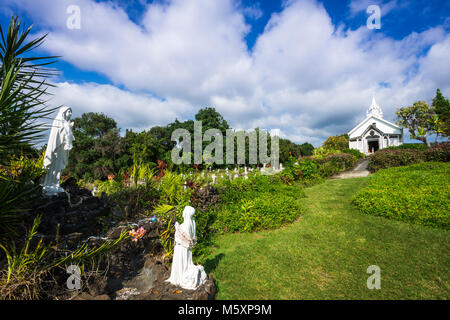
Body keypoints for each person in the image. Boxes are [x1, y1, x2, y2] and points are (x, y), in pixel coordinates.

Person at [166, 206, 207, 290]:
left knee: (181, 263)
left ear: (186, 213)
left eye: (184, 211)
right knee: (186, 263)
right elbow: (190, 239)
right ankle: (181, 275)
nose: (183, 212)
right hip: (187, 249)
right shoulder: (192, 223)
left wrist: (177, 228)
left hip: (181, 248)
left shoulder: (185, 225)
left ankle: (179, 277)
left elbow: (180, 239)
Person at [41, 107, 74, 195]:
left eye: (71, 112)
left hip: (62, 149)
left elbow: (68, 136)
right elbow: (56, 135)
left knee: (58, 167)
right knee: (53, 166)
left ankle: (56, 183)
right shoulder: (58, 121)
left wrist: (69, 128)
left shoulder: (66, 123)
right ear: (63, 112)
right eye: (69, 111)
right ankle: (48, 183)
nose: (70, 113)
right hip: (56, 148)